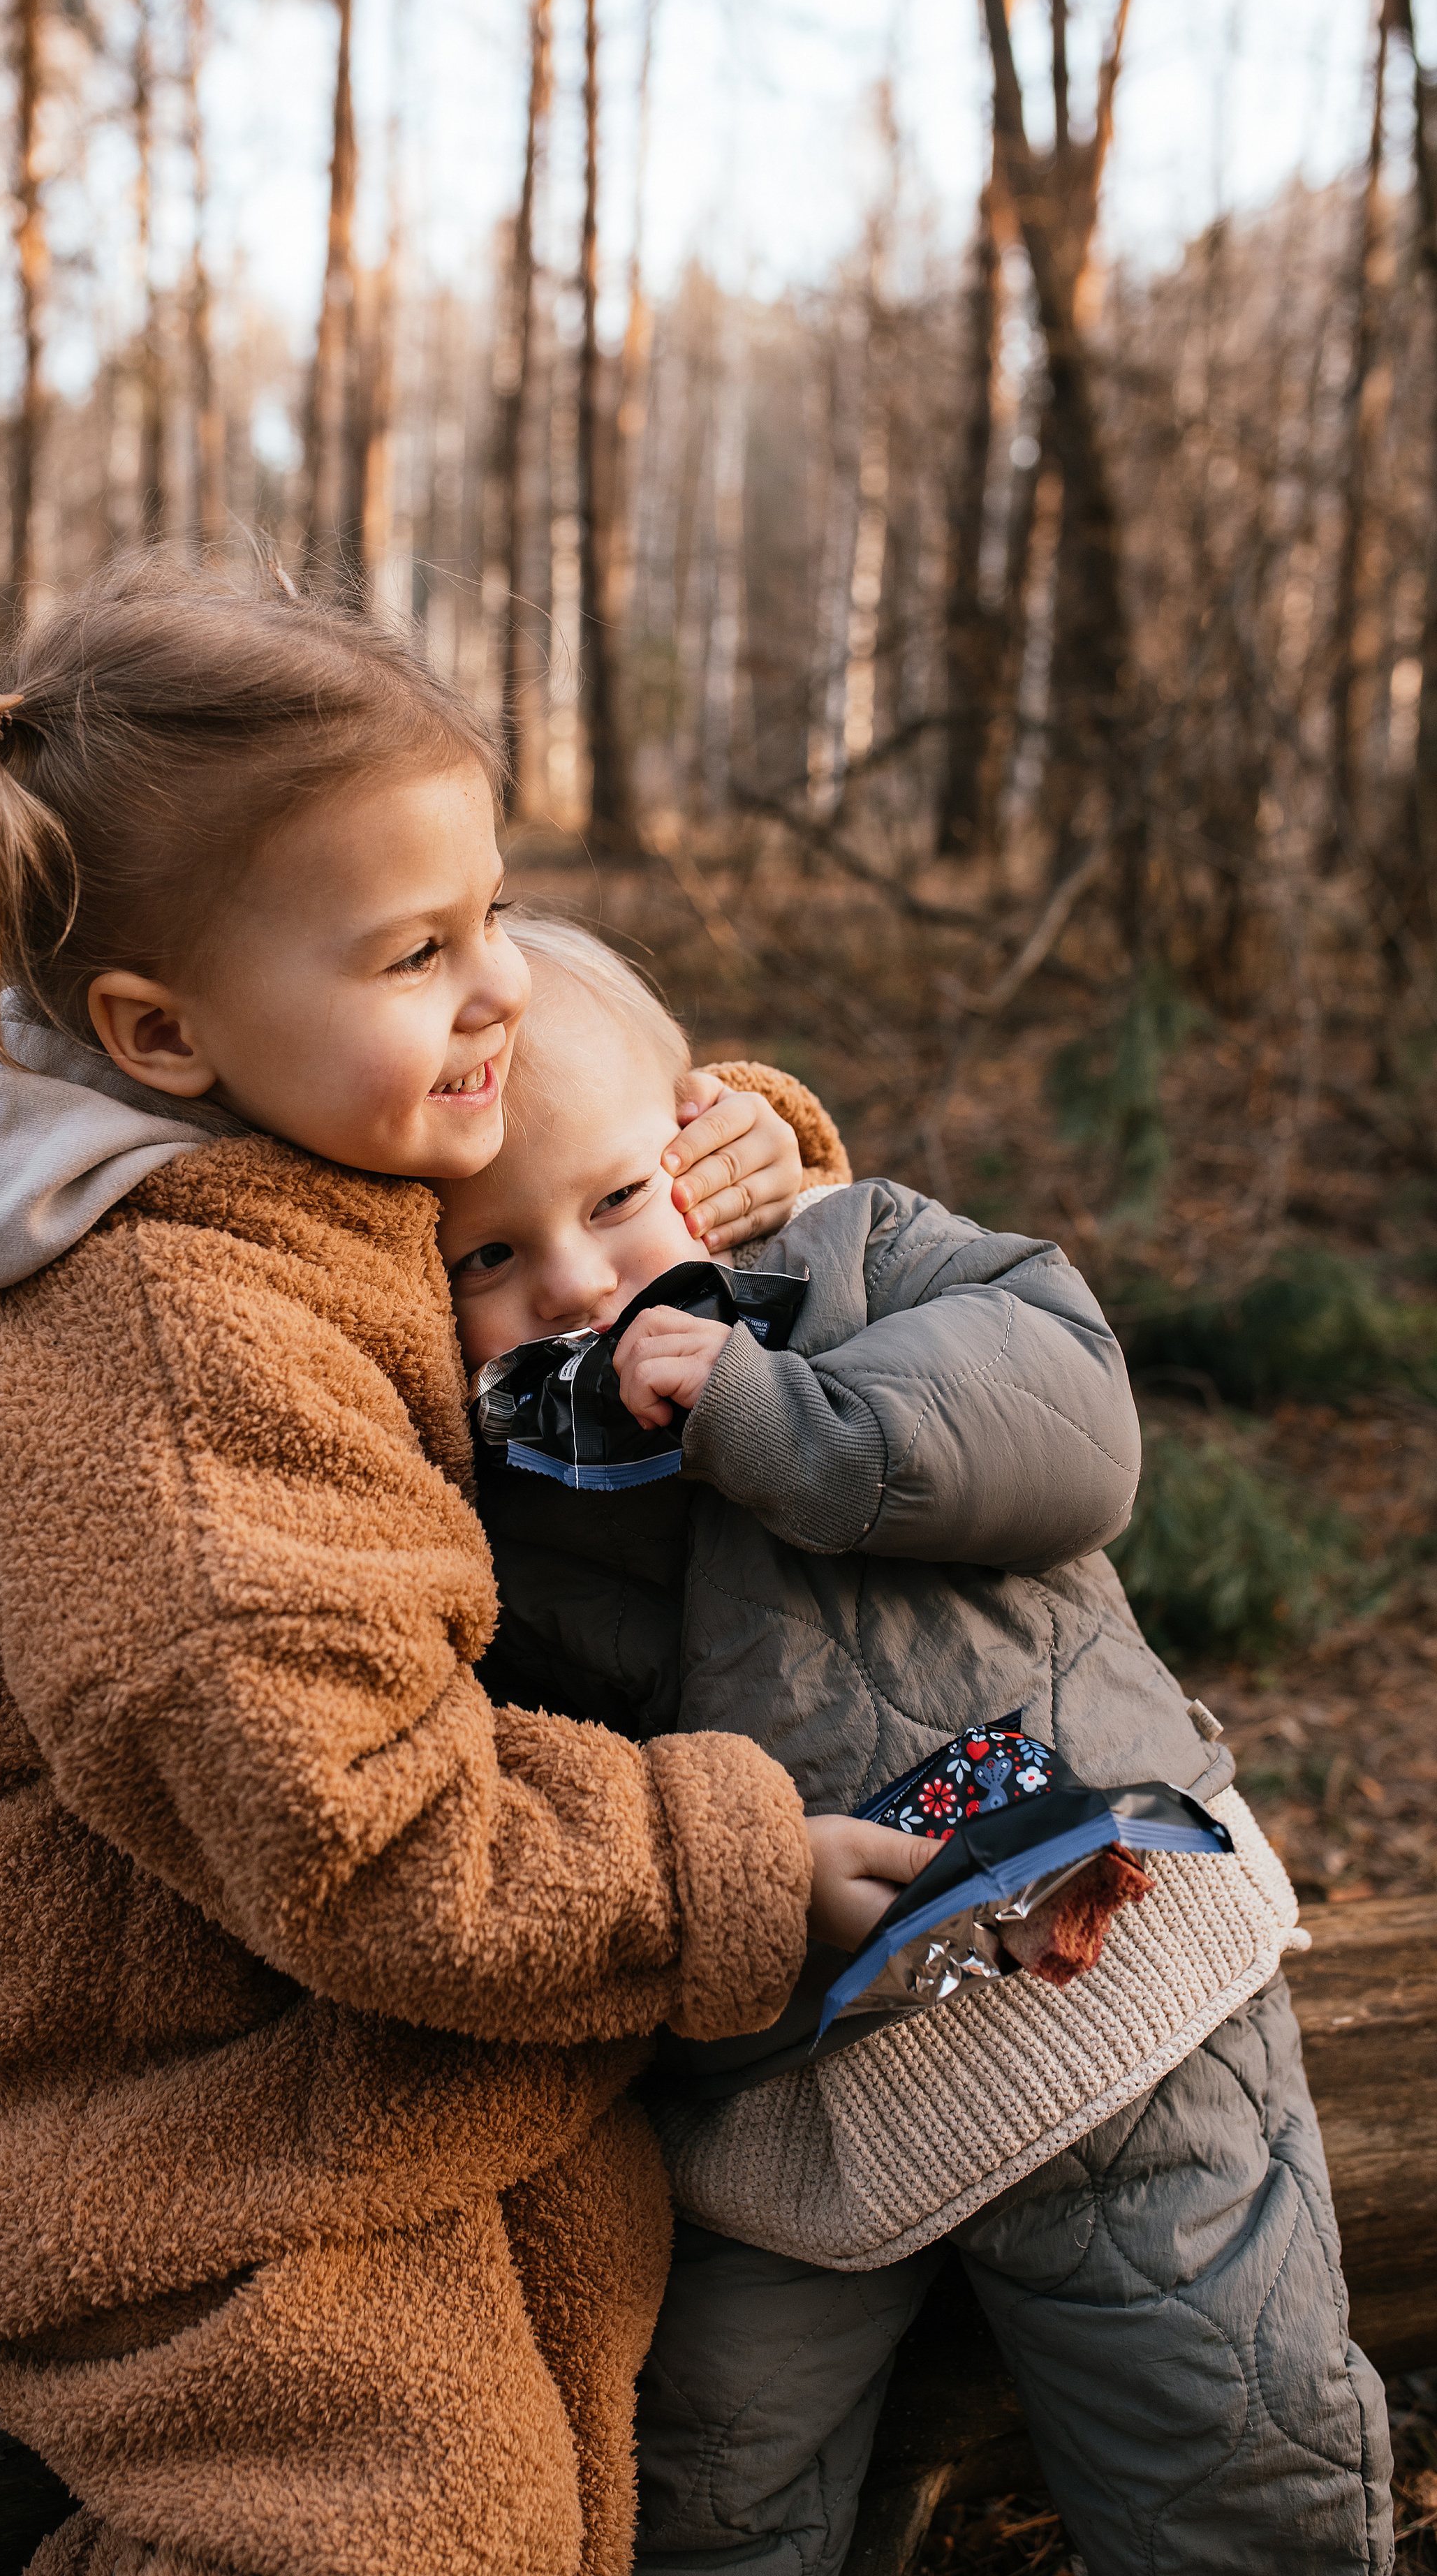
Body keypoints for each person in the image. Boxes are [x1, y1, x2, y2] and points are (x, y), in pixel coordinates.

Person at [0, 556, 934, 2576]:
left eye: (493, 909)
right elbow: (356, 1834)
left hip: (276, 1984)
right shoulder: (160, 1358)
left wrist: (746, 1152)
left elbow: (557, 1232)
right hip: (73, 2080)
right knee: (406, 2512)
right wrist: (713, 1868)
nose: (504, 986)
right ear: (162, 1027)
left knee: (593, 2276)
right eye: (419, 949)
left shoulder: (308, 1145)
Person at [436, 912, 1393, 2576]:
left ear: (700, 1144)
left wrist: (774, 1410)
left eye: (608, 1201)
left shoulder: (851, 1257)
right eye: (484, 1261)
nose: (578, 1284)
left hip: (1095, 1991)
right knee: (702, 2489)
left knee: (1224, 2436)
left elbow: (1067, 1427)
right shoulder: (476, 1505)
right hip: (774, 2100)